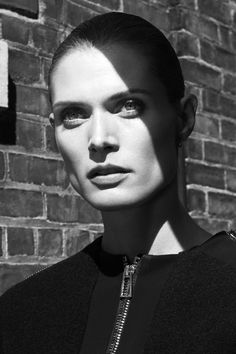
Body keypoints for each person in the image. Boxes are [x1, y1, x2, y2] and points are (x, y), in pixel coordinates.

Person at [0, 11, 236, 354]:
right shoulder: (21, 311)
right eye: (73, 115)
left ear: (183, 118)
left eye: (129, 105)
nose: (99, 139)